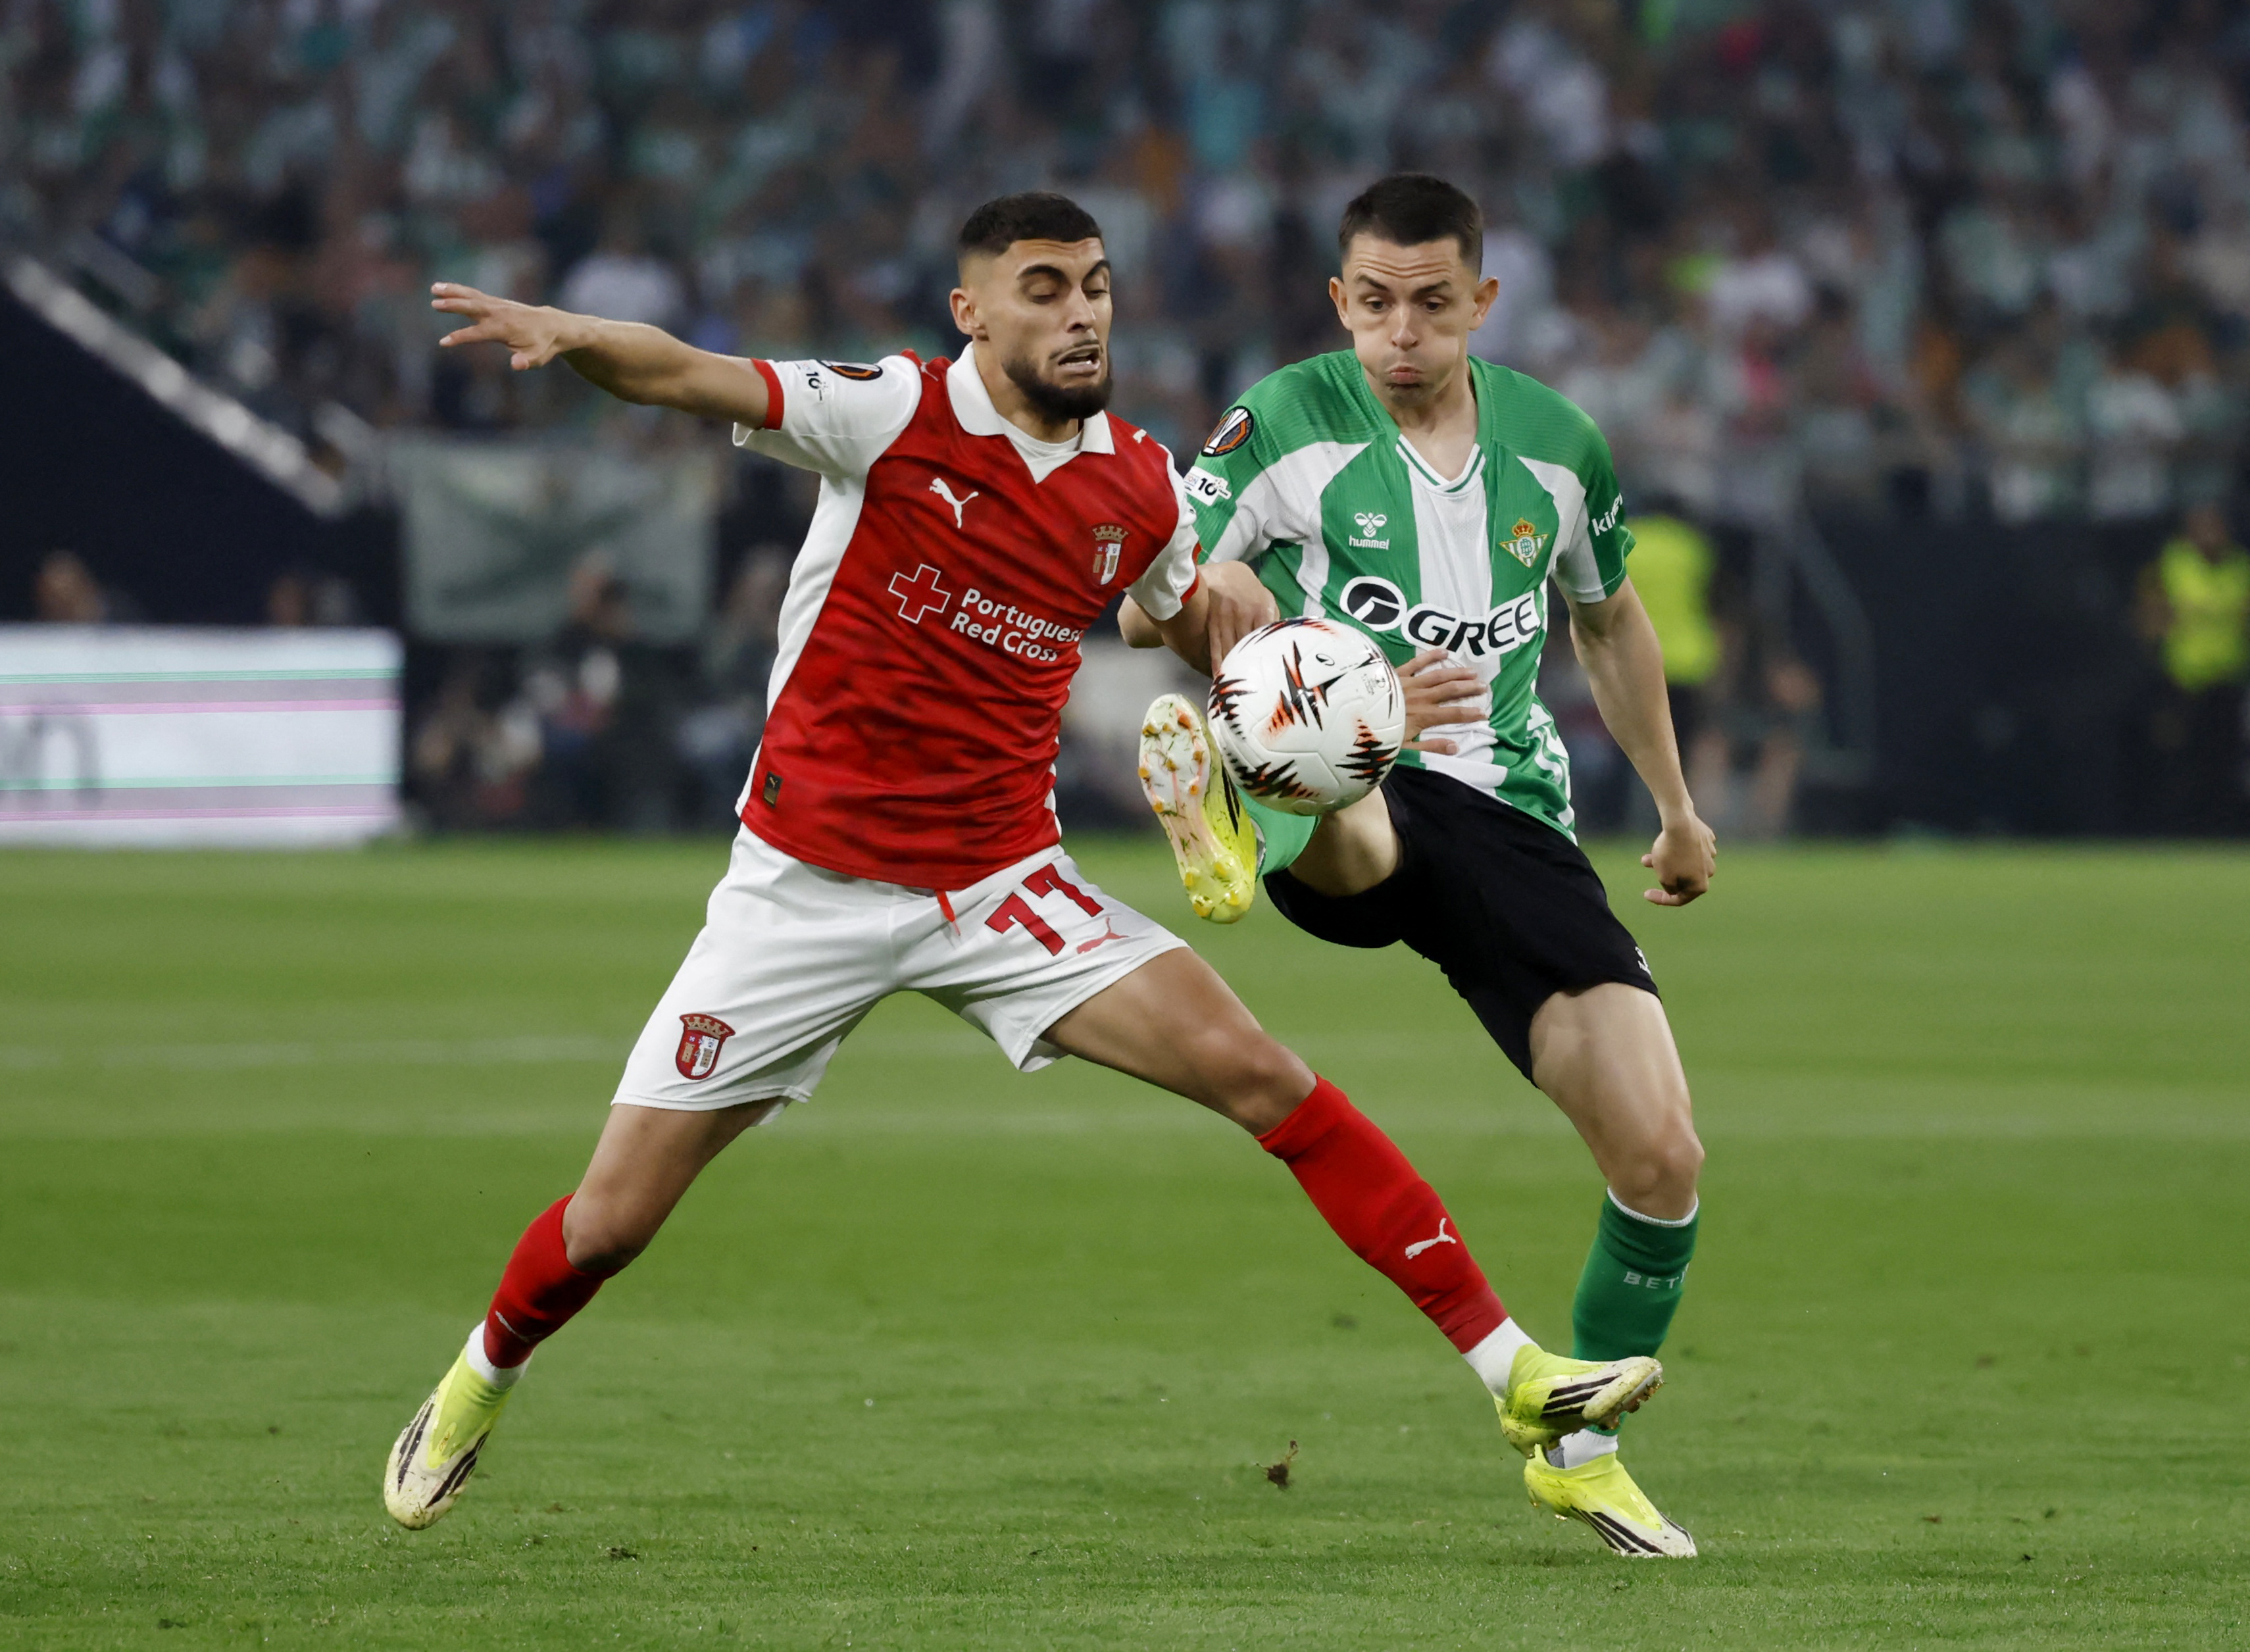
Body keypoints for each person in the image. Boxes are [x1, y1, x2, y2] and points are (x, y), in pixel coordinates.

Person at [383, 193, 1664, 1533]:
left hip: (1003, 886)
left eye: (1097, 285)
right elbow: (686, 372)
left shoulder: (1142, 485)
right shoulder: (889, 414)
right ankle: (479, 1376)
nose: (1081, 311)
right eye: (1045, 287)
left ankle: (1518, 1374)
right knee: (610, 1223)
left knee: (1264, 1075)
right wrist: (574, 335)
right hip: (805, 888)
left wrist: (1321, 683)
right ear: (973, 312)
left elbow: (1205, 613)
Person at [1122, 174, 1715, 1557]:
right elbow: (1160, 593)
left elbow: (1612, 622)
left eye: (1432, 306)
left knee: (1663, 1153)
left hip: (1514, 814)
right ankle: (1234, 789)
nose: (1401, 334)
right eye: (1375, 304)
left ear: (1482, 303)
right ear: (1341, 301)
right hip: (1346, 789)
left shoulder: (1560, 448)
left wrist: (1677, 806)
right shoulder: (1281, 420)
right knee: (1337, 747)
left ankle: (1580, 1449)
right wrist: (1259, 620)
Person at [2138, 502, 2250, 833]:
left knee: (2225, 764)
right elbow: (2149, 618)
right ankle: (2176, 830)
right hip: (2183, 681)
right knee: (2179, 760)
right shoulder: (2172, 564)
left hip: (2227, 680)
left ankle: (2224, 830)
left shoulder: (2241, 568)